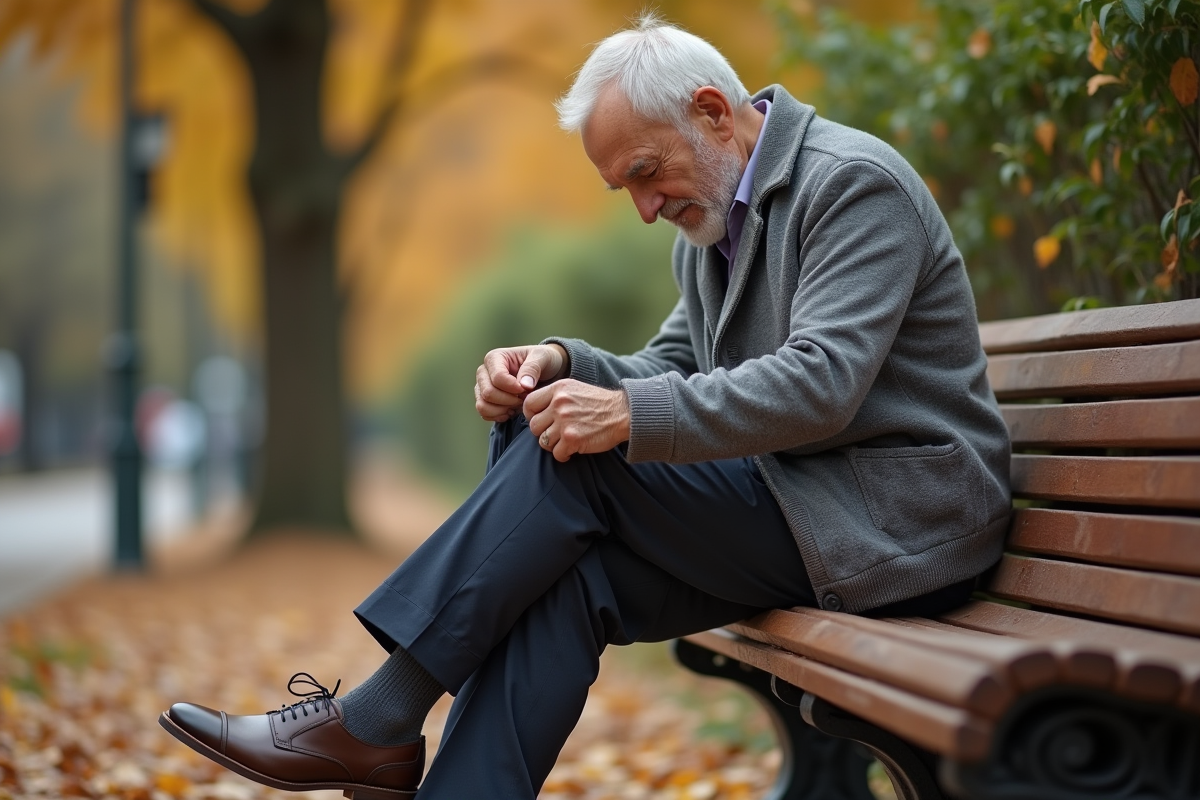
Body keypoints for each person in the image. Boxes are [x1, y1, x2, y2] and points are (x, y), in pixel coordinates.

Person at [158, 14, 1011, 800]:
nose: (646, 210)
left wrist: (623, 416)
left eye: (647, 173)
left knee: (582, 456)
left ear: (713, 112)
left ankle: (378, 719)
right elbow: (667, 365)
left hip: (902, 523)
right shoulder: (715, 222)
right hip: (807, 507)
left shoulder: (850, 186)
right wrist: (556, 364)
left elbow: (822, 382)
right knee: (566, 577)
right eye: (625, 191)